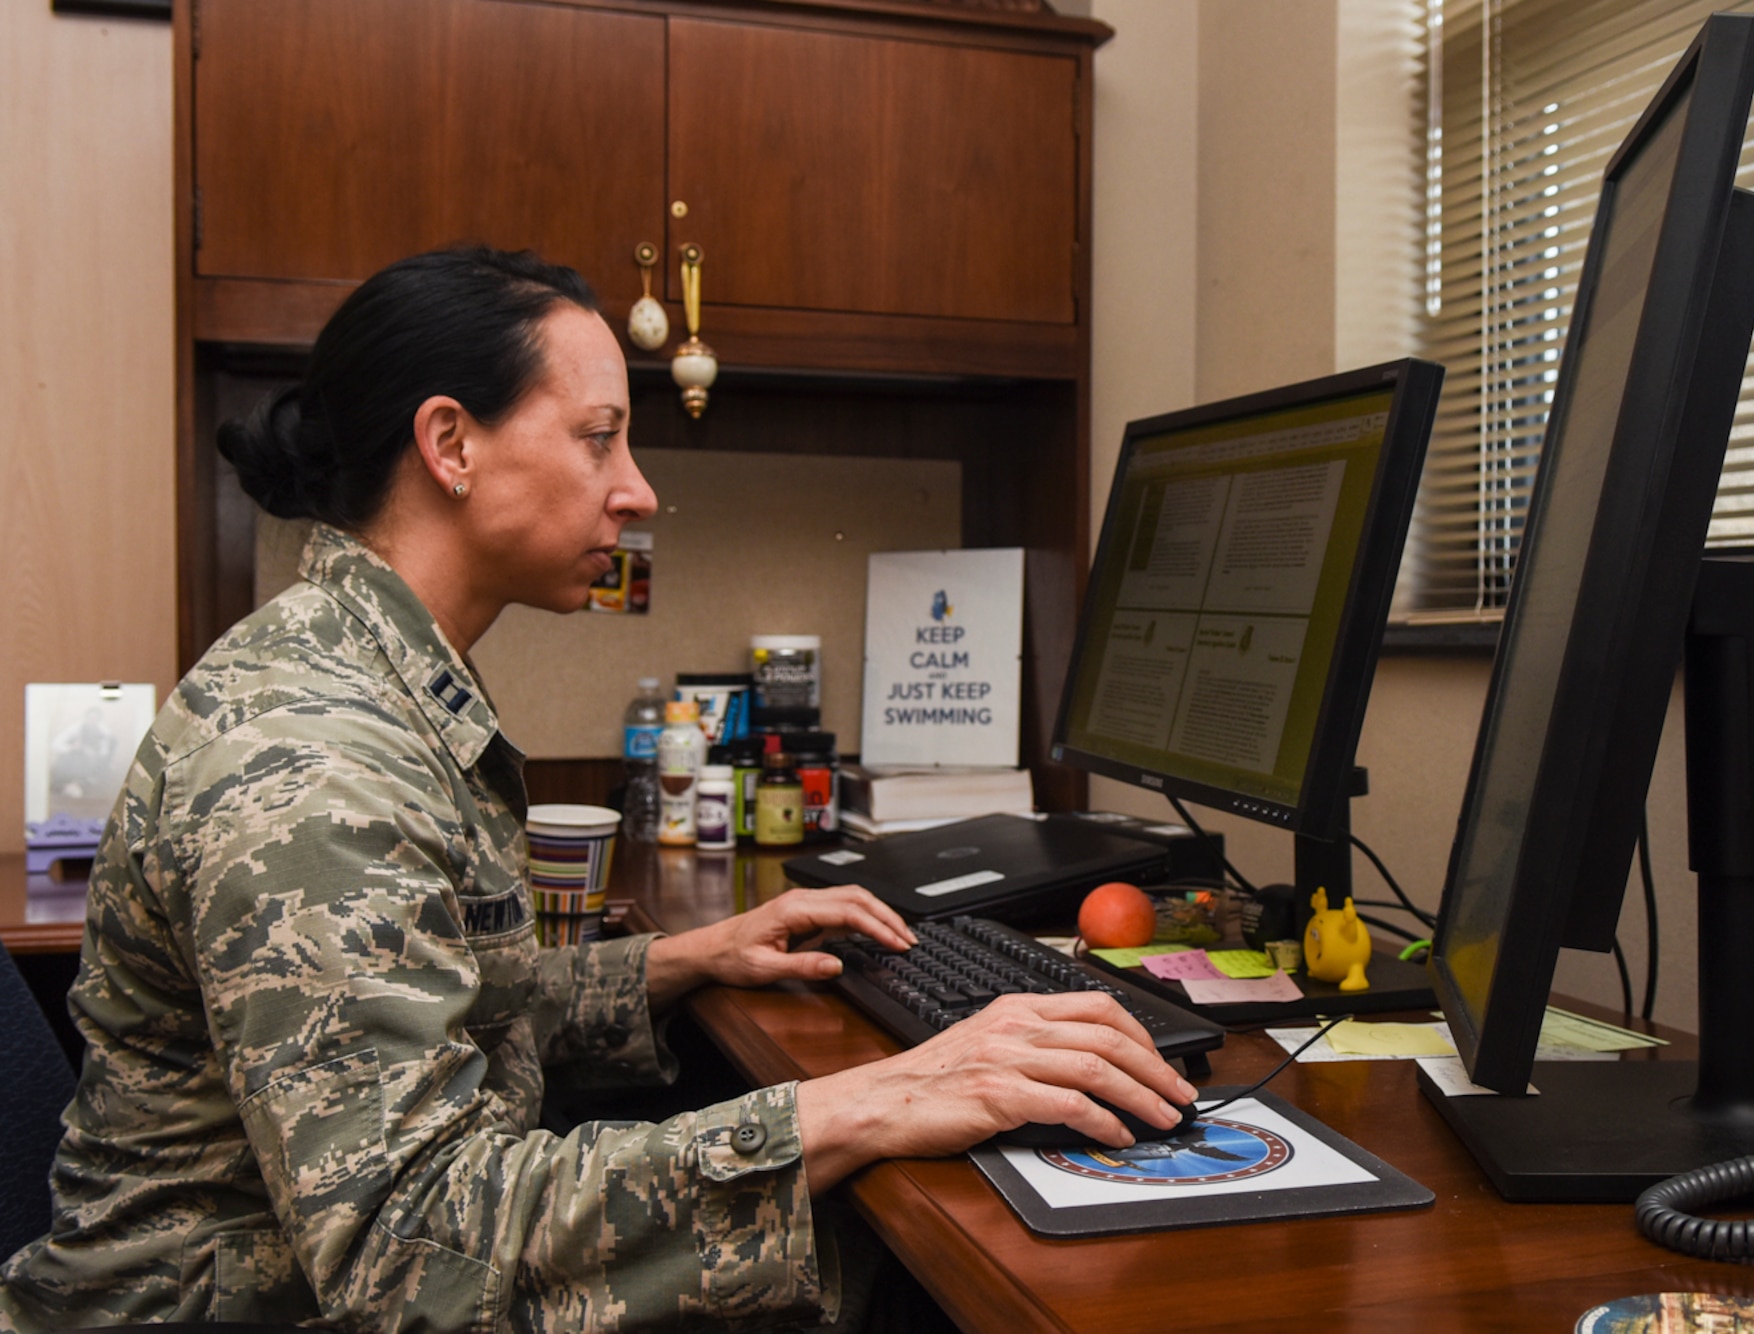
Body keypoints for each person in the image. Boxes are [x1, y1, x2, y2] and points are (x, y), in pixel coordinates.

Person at [0, 248, 1195, 1332]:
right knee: (909, 1265)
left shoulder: (367, 674)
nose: (637, 490)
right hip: (221, 1307)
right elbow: (409, 1248)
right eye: (597, 437)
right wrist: (871, 1099)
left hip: (295, 1274)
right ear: (450, 444)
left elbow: (451, 998)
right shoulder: (319, 758)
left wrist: (692, 957)